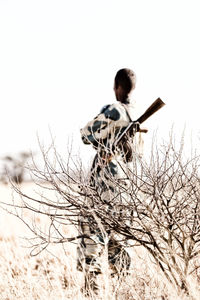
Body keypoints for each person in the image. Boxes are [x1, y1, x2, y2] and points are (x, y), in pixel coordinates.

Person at [77, 68, 144, 292]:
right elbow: (135, 155)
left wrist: (102, 139)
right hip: (126, 187)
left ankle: (93, 292)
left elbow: (86, 134)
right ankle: (122, 291)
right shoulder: (137, 113)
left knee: (92, 238)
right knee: (119, 243)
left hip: (105, 181)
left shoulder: (115, 110)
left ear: (117, 87)